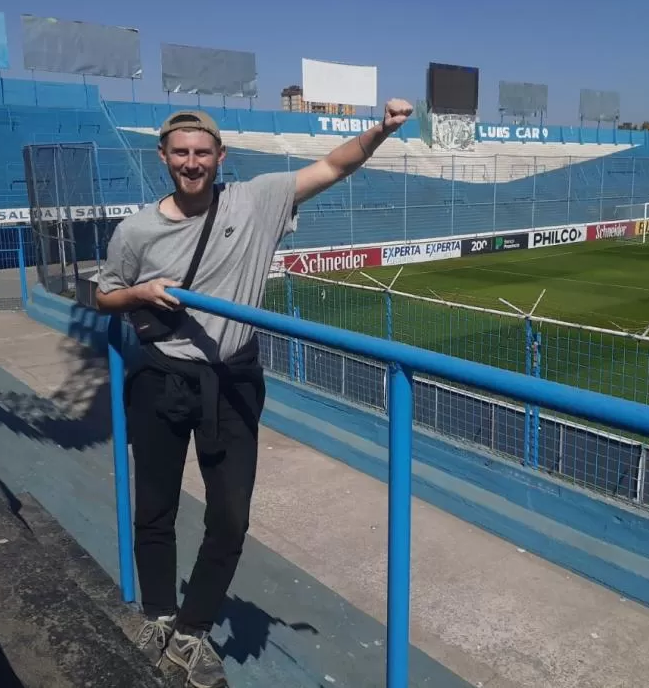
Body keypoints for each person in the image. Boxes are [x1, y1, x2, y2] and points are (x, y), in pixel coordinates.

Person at [96, 99, 413, 688]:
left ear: (221, 156)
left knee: (231, 518)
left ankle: (191, 633)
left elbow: (333, 167)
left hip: (234, 379)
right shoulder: (136, 230)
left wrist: (381, 130)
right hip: (160, 377)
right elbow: (103, 296)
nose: (192, 163)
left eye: (202, 152)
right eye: (181, 153)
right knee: (155, 508)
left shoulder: (258, 198)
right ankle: (158, 616)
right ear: (163, 157)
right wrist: (141, 294)